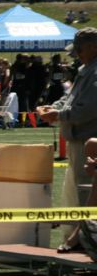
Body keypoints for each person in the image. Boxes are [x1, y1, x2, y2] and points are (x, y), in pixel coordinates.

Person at [39, 27, 97, 238]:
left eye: (80, 49)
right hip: (77, 140)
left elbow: (90, 107)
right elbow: (70, 99)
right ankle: (77, 236)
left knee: (86, 191)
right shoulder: (86, 69)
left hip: (88, 142)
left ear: (92, 47)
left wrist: (59, 114)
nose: (77, 54)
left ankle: (86, 238)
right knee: (75, 190)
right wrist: (53, 107)